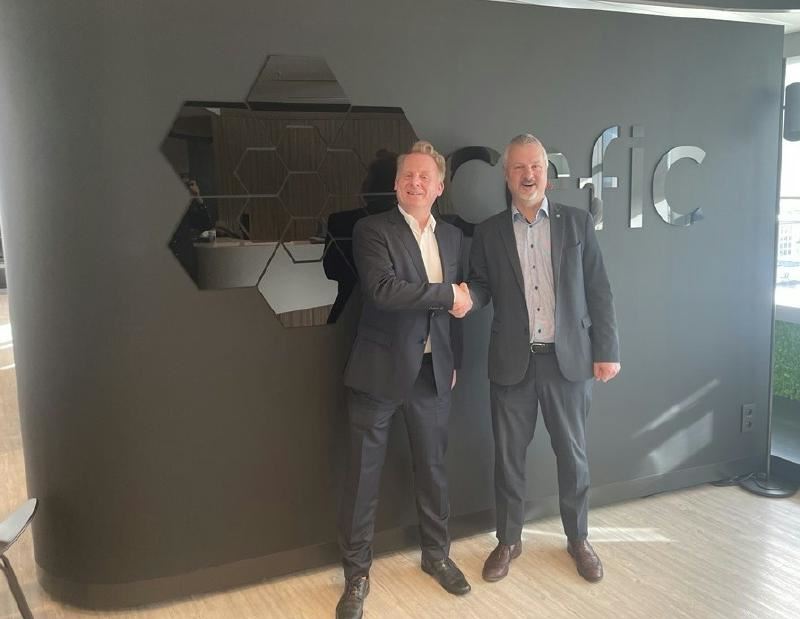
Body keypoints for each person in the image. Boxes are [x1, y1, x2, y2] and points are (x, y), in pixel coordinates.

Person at [464, 133, 620, 584]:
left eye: (535, 166)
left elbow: (599, 289)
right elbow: (481, 287)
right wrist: (465, 298)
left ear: (547, 173)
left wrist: (607, 351)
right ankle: (508, 540)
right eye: (519, 167)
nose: (528, 174)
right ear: (507, 175)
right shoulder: (489, 232)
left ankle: (578, 539)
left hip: (568, 362)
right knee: (508, 458)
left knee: (573, 456)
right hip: (512, 362)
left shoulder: (577, 223)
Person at [335, 141, 473, 619]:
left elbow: (459, 312)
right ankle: (356, 576)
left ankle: (437, 556)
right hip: (378, 373)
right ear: (396, 184)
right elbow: (384, 290)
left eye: (424, 177)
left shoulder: (452, 237)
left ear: (439, 187)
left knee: (433, 471)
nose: (415, 182)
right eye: (407, 175)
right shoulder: (372, 229)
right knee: (362, 478)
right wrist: (448, 294)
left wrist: (453, 359)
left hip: (432, 373)